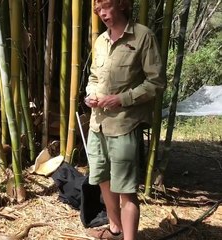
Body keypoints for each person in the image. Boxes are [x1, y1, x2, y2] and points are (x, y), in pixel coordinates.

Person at [84, 0, 166, 239]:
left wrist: (123, 98)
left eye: (106, 6)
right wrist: (90, 94)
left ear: (121, 4)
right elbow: (93, 77)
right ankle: (115, 228)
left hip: (124, 125)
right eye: (98, 10)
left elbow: (156, 82)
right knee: (102, 178)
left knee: (126, 190)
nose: (102, 13)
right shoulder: (100, 41)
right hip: (96, 123)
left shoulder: (143, 36)